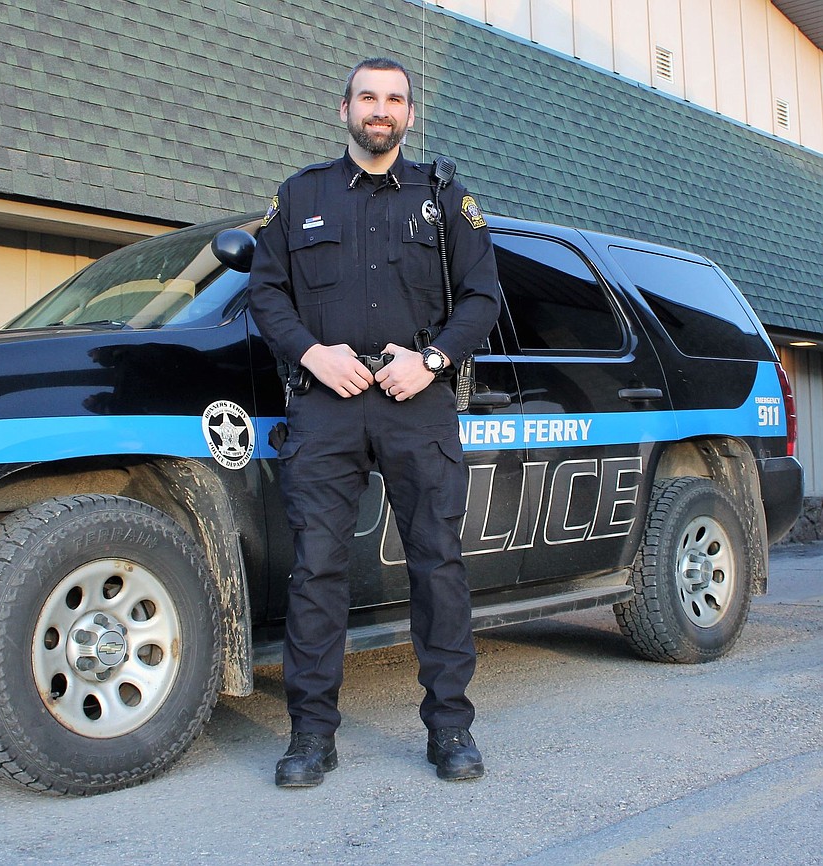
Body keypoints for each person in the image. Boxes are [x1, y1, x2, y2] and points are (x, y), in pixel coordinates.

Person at [247, 57, 501, 787]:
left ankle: (451, 729)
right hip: (325, 403)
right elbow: (268, 294)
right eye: (367, 97)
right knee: (317, 570)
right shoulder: (300, 196)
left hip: (415, 401)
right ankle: (310, 738)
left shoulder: (444, 198)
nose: (379, 110)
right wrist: (311, 354)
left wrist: (432, 360)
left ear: (409, 115)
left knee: (438, 565)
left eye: (393, 99)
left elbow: (481, 297)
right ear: (345, 110)